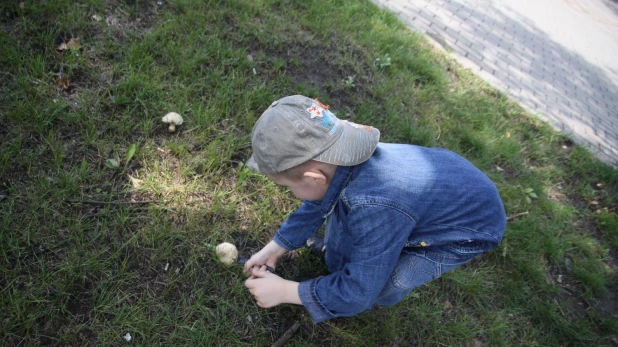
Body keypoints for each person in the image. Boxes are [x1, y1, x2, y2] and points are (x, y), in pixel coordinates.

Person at [243, 95, 506, 323]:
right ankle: (341, 274)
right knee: (348, 234)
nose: (290, 191)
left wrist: (288, 292)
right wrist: (277, 246)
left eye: (287, 186)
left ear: (314, 178)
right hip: (437, 186)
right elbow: (317, 204)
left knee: (383, 282)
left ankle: (352, 292)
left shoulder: (375, 205)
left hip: (469, 228)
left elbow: (359, 292)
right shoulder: (342, 161)